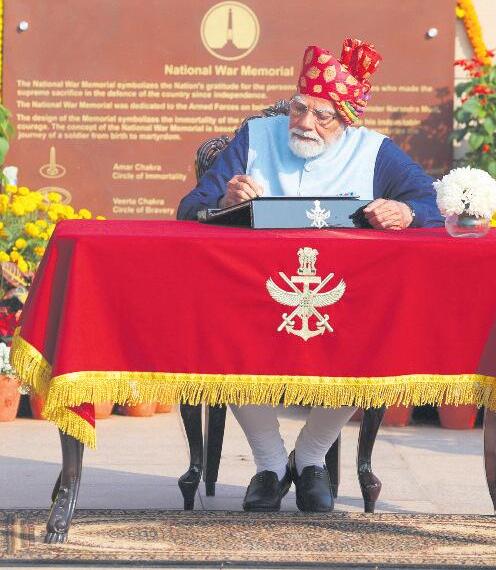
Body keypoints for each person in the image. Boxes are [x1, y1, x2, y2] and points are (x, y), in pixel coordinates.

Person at [177, 38, 444, 513]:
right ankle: (270, 463)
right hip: (254, 298)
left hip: (341, 301)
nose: (304, 123)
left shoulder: (375, 151)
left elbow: (430, 203)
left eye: (323, 116)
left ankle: (311, 456)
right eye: (299, 109)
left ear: (348, 119)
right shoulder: (256, 136)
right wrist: (223, 199)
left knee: (376, 334)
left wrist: (406, 211)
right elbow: (190, 208)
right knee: (221, 330)